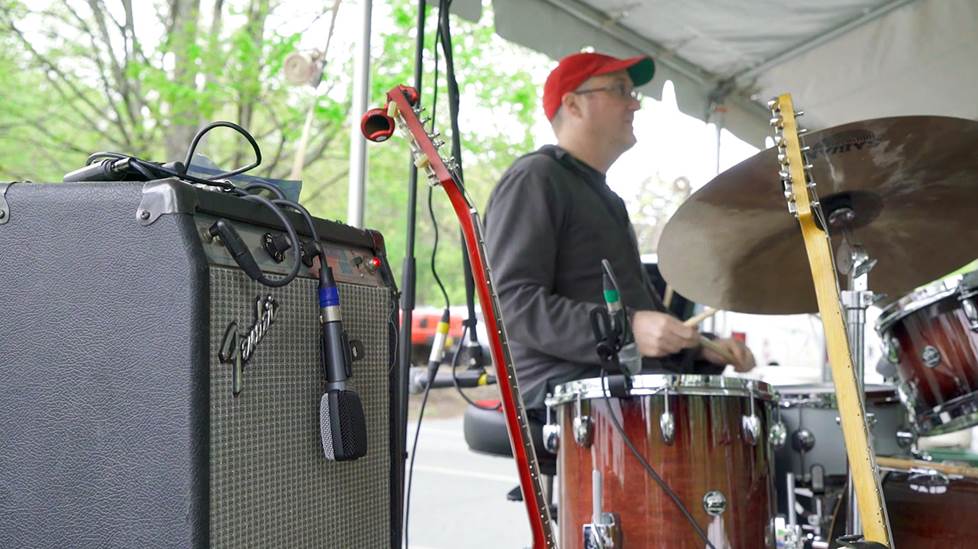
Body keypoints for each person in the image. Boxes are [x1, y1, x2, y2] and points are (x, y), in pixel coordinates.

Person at [484, 52, 755, 413]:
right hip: (567, 397)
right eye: (620, 90)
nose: (635, 105)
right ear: (574, 105)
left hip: (623, 387)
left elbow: (641, 320)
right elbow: (511, 305)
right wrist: (626, 330)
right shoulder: (536, 178)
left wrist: (699, 346)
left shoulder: (606, 198)